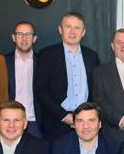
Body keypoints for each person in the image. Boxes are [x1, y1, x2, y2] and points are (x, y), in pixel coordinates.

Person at [35, 12, 100, 140]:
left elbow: (96, 90)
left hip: (87, 124)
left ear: (83, 32)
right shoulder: (47, 55)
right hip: (56, 122)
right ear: (60, 30)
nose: (72, 31)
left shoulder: (92, 56)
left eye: (77, 28)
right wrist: (64, 116)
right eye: (68, 27)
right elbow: (41, 90)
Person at [5, 22, 41, 137]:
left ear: (34, 38)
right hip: (10, 122)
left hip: (35, 123)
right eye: (20, 34)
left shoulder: (43, 62)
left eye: (28, 34)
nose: (24, 38)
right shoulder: (3, 62)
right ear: (13, 37)